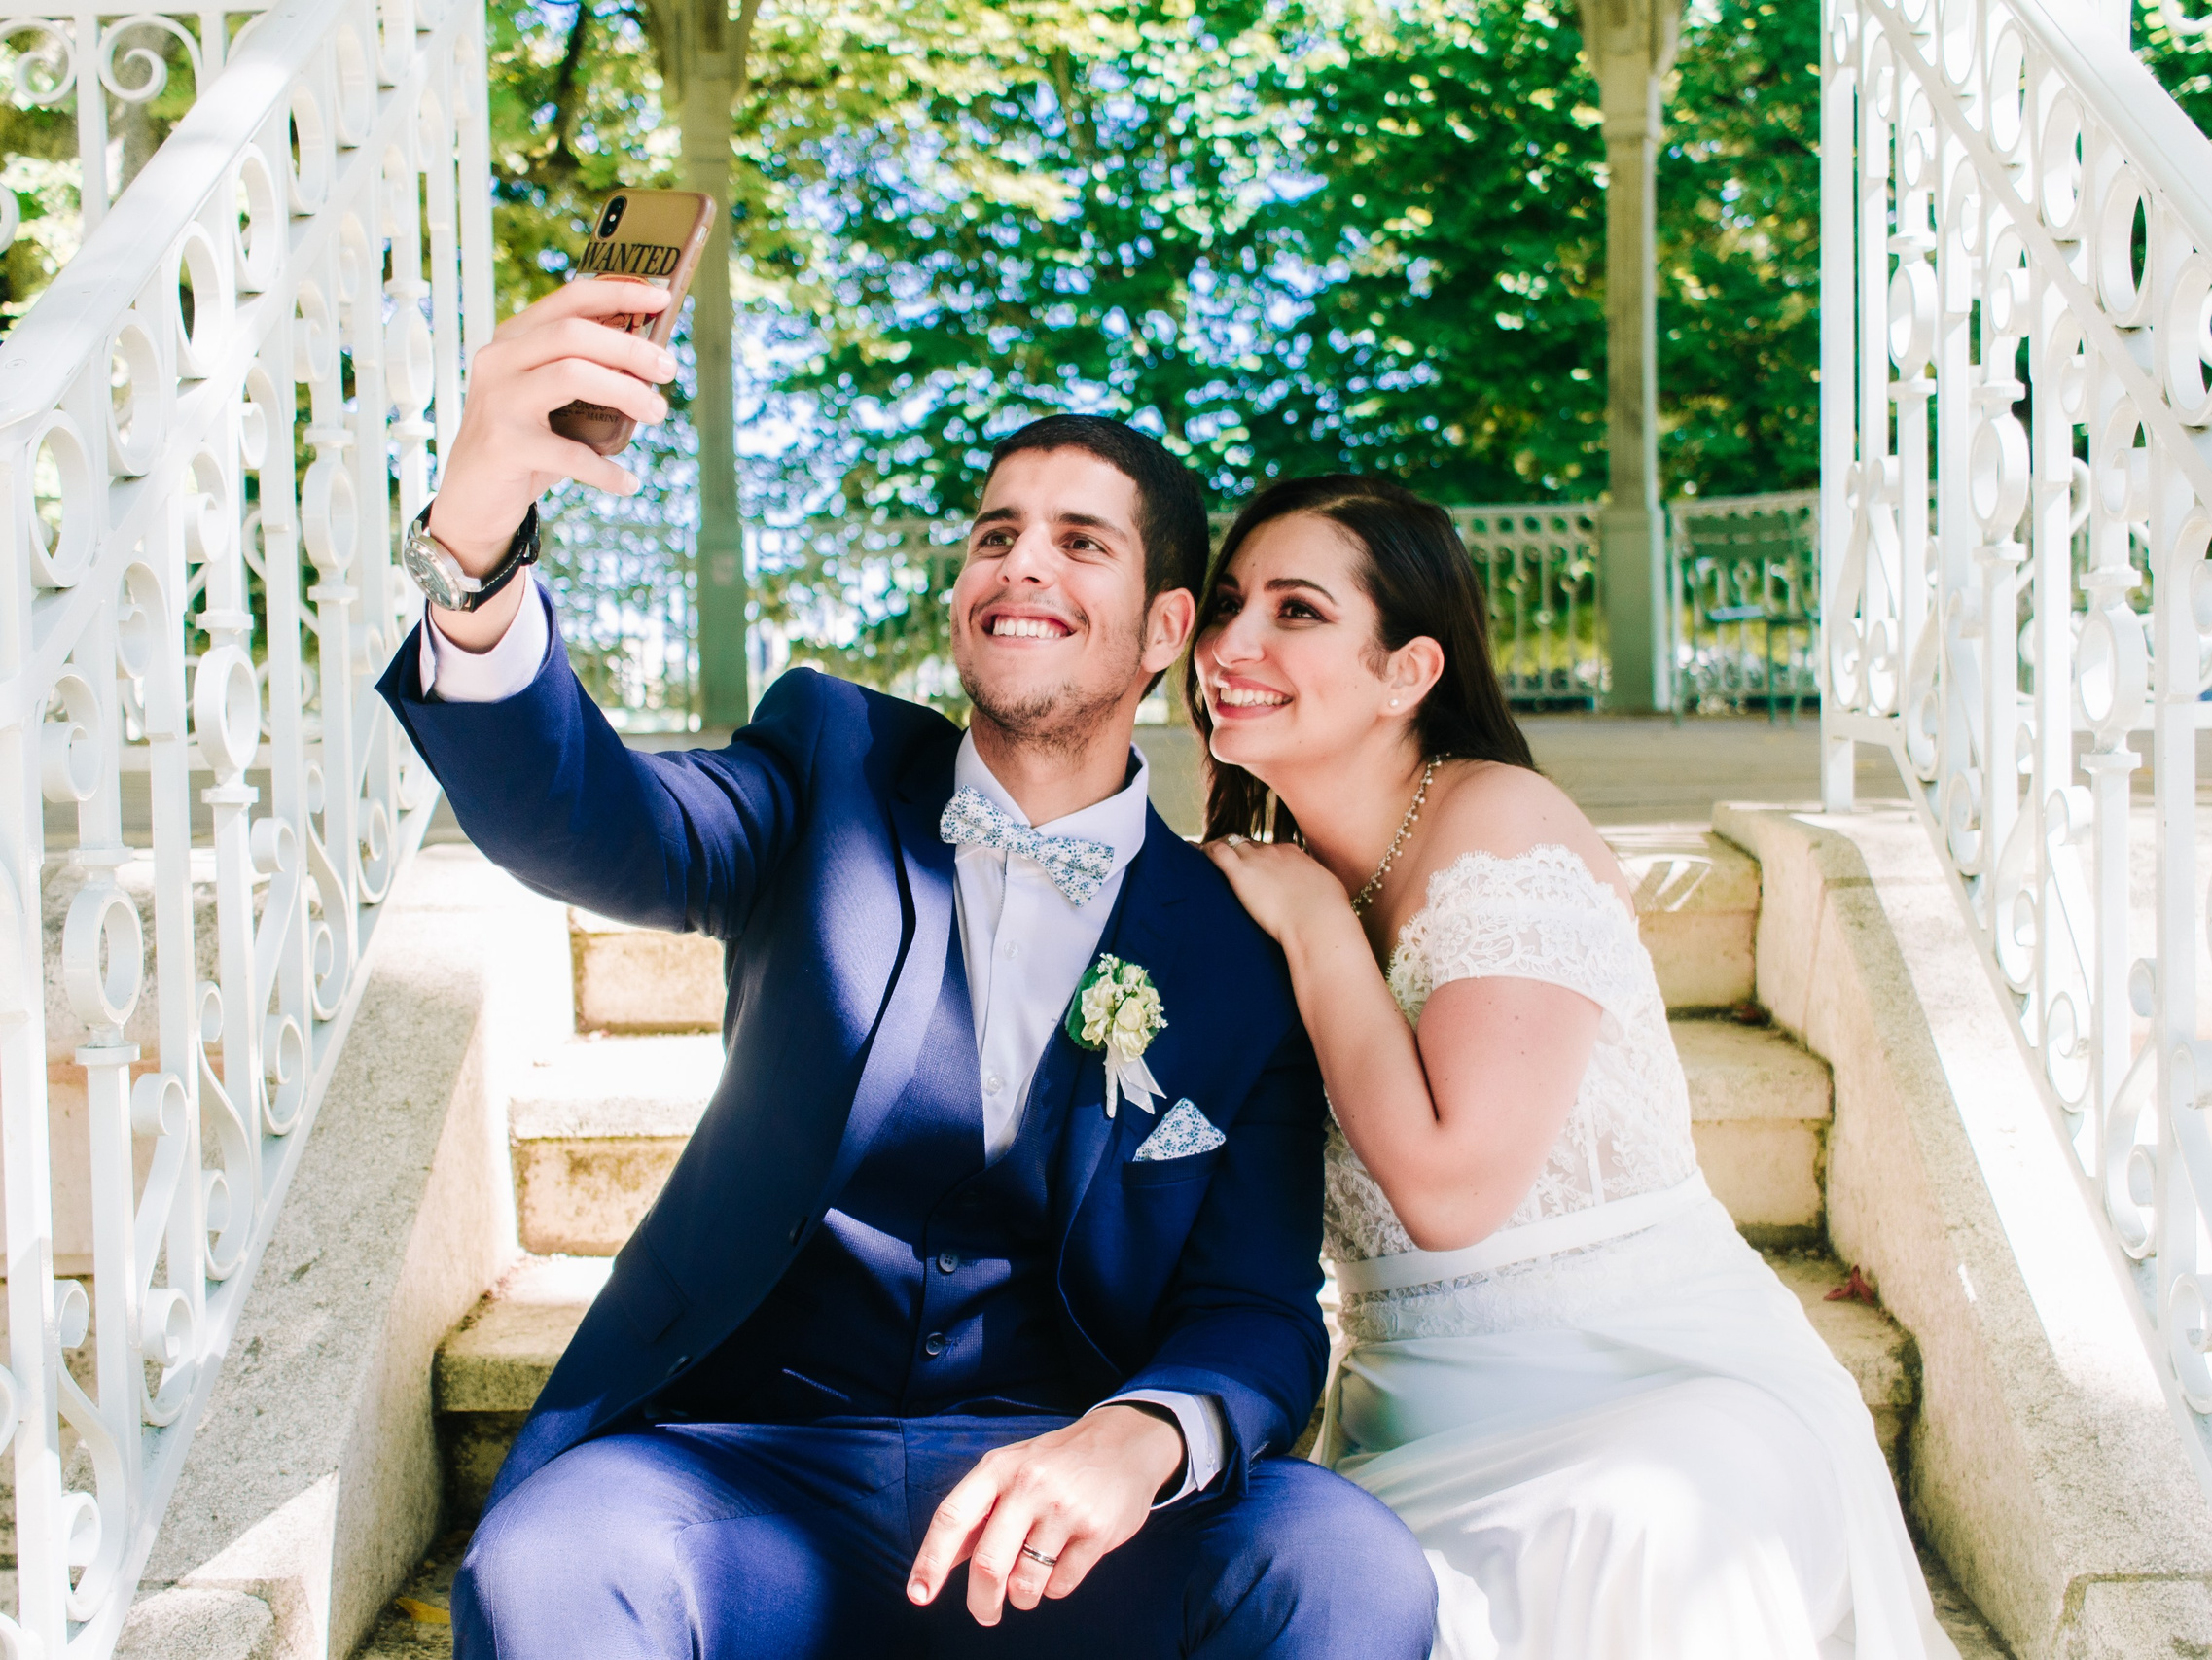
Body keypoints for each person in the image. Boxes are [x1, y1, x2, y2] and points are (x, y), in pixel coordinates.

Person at [375, 278, 1437, 1658]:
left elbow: (1255, 1308)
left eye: (1080, 540)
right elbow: (584, 816)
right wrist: (480, 533)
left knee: (1341, 1564)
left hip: (1066, 1515)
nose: (1022, 563)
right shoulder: (823, 775)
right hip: (739, 1471)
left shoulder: (1241, 947)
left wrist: (1137, 1436)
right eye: (996, 534)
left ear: (1168, 629)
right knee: (552, 1567)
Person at [1196, 475, 1959, 1659]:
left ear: (1407, 672)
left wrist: (1312, 929)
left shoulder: (1499, 823)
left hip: (1649, 1390)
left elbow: (1451, 1194)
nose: (1231, 642)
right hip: (1408, 1418)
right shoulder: (1275, 875)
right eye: (1225, 602)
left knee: (1635, 1524)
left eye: (1295, 611)